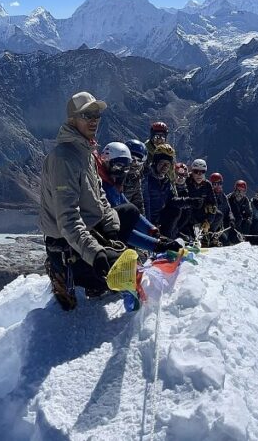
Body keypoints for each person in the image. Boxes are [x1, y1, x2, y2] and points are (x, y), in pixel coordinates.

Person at [39, 93, 171, 311]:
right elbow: (68, 219)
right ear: (72, 119)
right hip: (65, 243)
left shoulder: (87, 153)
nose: (94, 120)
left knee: (127, 212)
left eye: (96, 114)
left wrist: (116, 233)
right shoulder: (64, 159)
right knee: (122, 264)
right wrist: (95, 252)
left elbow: (100, 198)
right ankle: (61, 271)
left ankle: (101, 263)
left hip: (90, 228)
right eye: (86, 115)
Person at [97, 142, 177, 253]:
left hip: (106, 232)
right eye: (118, 166)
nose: (121, 171)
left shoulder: (112, 183)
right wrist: (155, 245)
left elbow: (135, 212)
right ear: (105, 160)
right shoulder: (103, 185)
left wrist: (154, 232)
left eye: (125, 168)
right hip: (98, 235)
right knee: (130, 210)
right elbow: (122, 227)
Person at [209, 173, 240, 245]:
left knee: (226, 243)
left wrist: (231, 219)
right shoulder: (208, 194)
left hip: (218, 229)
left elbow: (228, 211)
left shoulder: (222, 196)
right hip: (207, 227)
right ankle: (209, 237)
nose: (218, 186)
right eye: (215, 184)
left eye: (220, 183)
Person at [122, 139, 148, 214]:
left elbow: (138, 204)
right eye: (132, 158)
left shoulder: (135, 178)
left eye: (139, 160)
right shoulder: (115, 173)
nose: (134, 163)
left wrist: (146, 225)